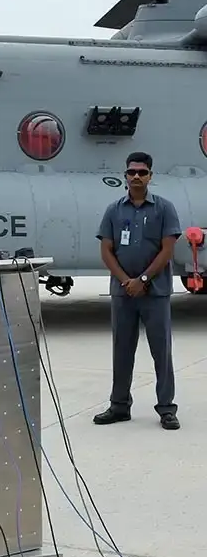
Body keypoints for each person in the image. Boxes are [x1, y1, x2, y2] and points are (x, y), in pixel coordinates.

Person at [93, 151, 181, 431]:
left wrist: (142, 279)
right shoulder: (114, 210)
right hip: (123, 294)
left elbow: (167, 250)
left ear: (150, 176)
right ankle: (119, 406)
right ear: (125, 176)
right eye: (132, 172)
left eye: (142, 172)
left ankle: (166, 408)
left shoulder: (164, 209)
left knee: (161, 351)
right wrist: (126, 282)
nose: (136, 177)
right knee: (122, 350)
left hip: (155, 293)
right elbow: (106, 250)